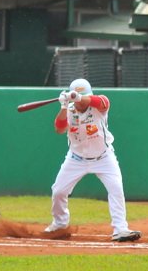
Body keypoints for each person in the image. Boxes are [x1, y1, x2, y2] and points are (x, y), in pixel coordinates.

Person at [46, 79, 142, 242]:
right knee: (58, 191)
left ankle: (120, 229)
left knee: (116, 188)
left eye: (84, 97)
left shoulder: (99, 106)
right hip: (76, 158)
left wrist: (77, 97)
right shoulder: (69, 110)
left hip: (104, 157)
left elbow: (103, 101)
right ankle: (60, 224)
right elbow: (59, 129)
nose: (81, 102)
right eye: (77, 98)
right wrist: (63, 106)